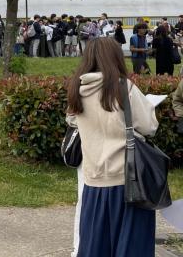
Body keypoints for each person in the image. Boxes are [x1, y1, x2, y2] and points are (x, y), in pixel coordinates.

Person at [66, 37, 158, 256]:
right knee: (131, 248)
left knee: (95, 247)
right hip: (128, 182)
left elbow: (71, 121)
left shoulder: (76, 90)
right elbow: (149, 126)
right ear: (115, 57)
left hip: (94, 182)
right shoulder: (123, 87)